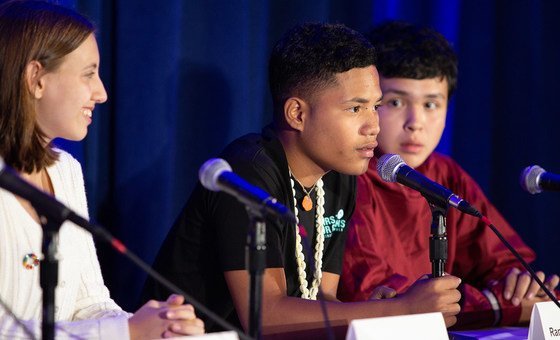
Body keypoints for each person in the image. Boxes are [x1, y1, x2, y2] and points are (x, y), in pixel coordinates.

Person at [142, 22, 461, 334]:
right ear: (297, 113)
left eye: (375, 107)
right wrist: (399, 310)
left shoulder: (339, 175)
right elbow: (264, 316)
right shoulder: (246, 171)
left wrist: (371, 313)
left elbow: (321, 298)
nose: (373, 126)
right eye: (355, 109)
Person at [0, 1, 204, 338]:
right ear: (35, 78)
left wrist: (158, 327)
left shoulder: (65, 170)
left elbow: (90, 304)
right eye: (88, 74)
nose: (102, 93)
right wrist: (127, 333)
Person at [338, 21, 559, 328]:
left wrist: (521, 286)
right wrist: (498, 305)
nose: (416, 122)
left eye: (431, 104)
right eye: (396, 102)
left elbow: (507, 267)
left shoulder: (445, 174)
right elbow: (384, 296)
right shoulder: (348, 175)